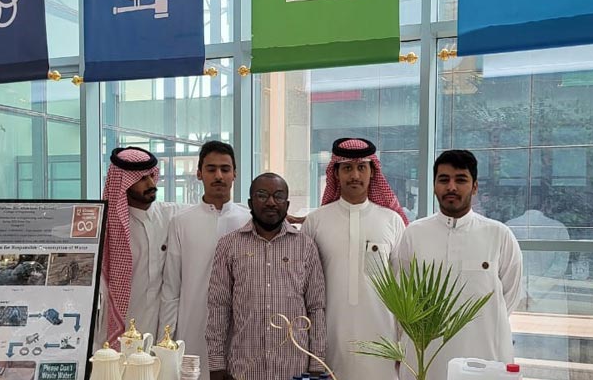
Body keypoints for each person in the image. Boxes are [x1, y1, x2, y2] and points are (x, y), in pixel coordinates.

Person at [395, 150, 522, 379]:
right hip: (425, 358)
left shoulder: (499, 235)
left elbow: (509, 297)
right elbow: (401, 294)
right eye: (444, 180)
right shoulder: (414, 234)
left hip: (484, 358)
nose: (451, 187)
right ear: (434, 186)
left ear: (474, 187)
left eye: (461, 180)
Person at [302, 138, 407, 379]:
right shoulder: (316, 221)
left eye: (361, 167)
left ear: (373, 172)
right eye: (347, 168)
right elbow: (304, 287)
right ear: (335, 173)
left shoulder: (391, 221)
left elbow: (403, 286)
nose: (355, 175)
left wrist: (403, 344)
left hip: (382, 341)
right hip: (329, 340)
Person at [206, 173, 327, 380]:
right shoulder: (229, 245)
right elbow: (219, 306)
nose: (271, 202)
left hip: (294, 370)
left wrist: (316, 365)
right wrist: (216, 364)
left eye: (278, 196)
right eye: (262, 195)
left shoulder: (306, 246)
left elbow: (316, 308)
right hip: (244, 370)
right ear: (250, 203)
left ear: (287, 204)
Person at [159, 141, 250, 380]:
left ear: (235, 174)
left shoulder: (249, 221)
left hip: (241, 332)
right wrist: (166, 340)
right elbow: (171, 287)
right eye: (211, 169)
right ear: (199, 173)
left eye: (225, 169)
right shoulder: (181, 222)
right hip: (192, 329)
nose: (218, 175)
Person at [96, 146, 184, 347]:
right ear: (123, 183)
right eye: (142, 178)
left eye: (152, 176)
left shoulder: (172, 215)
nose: (151, 183)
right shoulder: (106, 225)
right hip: (115, 330)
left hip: (160, 331)